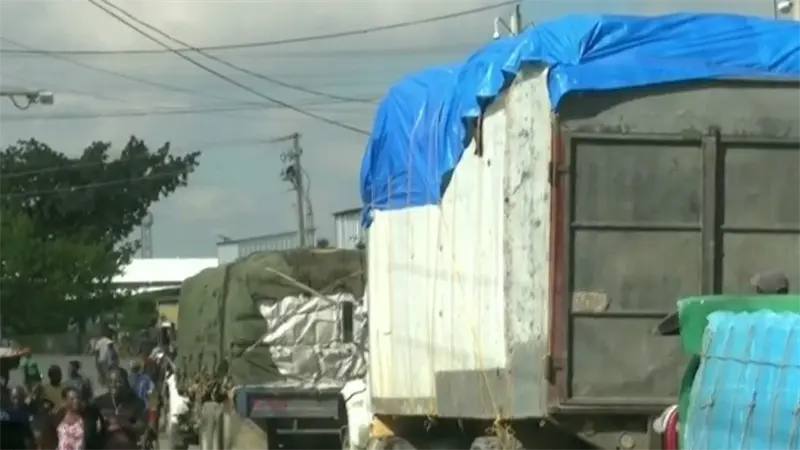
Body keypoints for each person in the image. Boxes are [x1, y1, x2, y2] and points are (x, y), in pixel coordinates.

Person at [93, 368, 147, 450]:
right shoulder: (99, 402)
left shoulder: (136, 402)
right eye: (110, 381)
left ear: (125, 383)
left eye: (118, 381)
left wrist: (122, 424)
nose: (113, 385)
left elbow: (141, 427)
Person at [0, 385, 35, 450]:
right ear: (10, 398)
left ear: (24, 398)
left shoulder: (30, 413)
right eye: (14, 398)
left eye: (20, 398)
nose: (17, 401)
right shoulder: (5, 414)